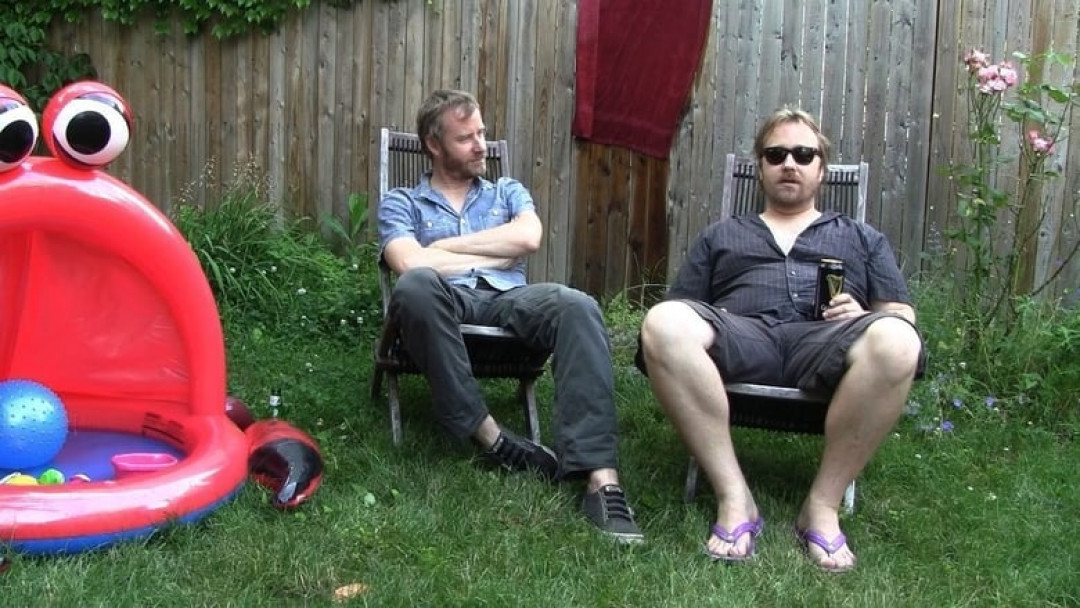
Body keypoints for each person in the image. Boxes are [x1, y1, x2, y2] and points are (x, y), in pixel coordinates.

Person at [637, 108, 924, 571]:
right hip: (742, 337)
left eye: (803, 154)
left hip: (829, 342)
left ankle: (822, 506)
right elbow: (682, 304)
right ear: (761, 167)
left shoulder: (860, 237)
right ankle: (735, 497)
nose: (789, 163)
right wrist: (714, 318)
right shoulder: (722, 235)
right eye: (776, 154)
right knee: (663, 322)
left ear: (821, 169)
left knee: (898, 339)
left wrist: (865, 315)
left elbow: (901, 313)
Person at [377, 89, 643, 544]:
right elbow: (409, 263)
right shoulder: (402, 202)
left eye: (482, 133)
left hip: (509, 302)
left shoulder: (507, 191)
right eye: (466, 138)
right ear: (434, 145)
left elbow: (528, 238)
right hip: (442, 303)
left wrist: (442, 248)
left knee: (577, 305)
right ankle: (493, 438)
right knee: (417, 286)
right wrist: (491, 253)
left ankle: (602, 480)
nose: (481, 145)